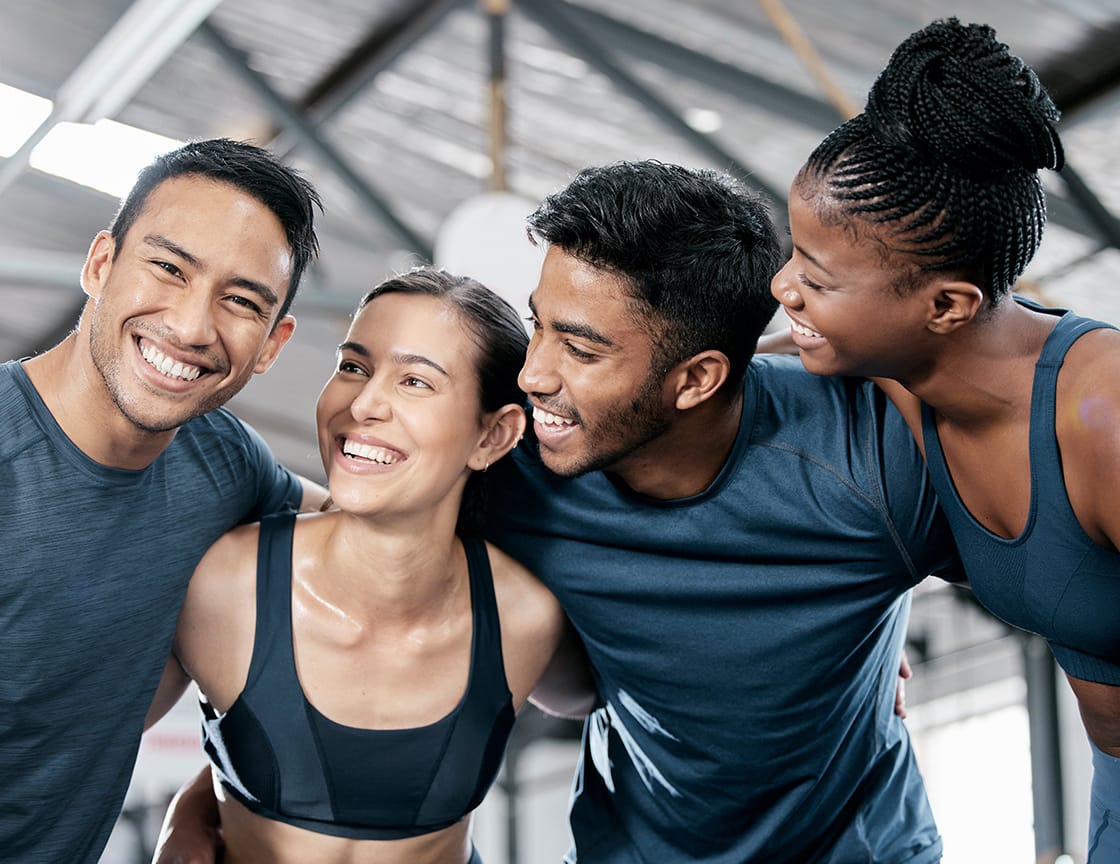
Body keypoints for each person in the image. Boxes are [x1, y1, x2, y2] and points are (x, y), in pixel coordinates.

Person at [158, 159, 960, 864]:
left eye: (579, 348)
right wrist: (214, 794)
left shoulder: (866, 462)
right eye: (537, 324)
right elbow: (349, 556)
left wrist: (860, 604)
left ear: (697, 378)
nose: (534, 373)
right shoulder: (516, 463)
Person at [770, 18, 1120, 862]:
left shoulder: (1103, 415)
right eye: (794, 255)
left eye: (816, 278)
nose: (784, 286)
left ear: (947, 306)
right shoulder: (899, 372)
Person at [154, 268, 585, 864]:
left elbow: (634, 717)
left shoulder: (526, 617)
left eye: (415, 381)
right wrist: (193, 806)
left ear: (493, 435)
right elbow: (78, 741)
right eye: (354, 366)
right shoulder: (224, 584)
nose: (363, 404)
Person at [0, 137, 327, 864]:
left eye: (240, 301)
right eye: (170, 268)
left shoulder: (223, 465)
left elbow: (366, 540)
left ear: (272, 344)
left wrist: (211, 794)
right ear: (100, 263)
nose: (191, 326)